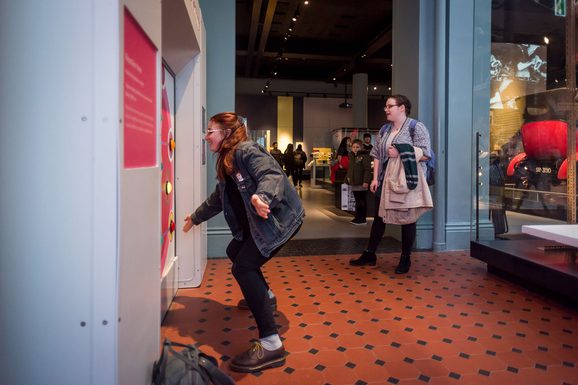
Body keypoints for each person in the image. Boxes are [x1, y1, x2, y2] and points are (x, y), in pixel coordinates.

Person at [182, 112, 304, 372]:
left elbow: (271, 175)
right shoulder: (228, 161)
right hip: (260, 221)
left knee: (243, 267)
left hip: (278, 221)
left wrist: (262, 198)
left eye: (210, 131)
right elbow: (218, 199)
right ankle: (265, 296)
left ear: (226, 133)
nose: (206, 137)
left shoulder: (246, 150)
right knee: (234, 250)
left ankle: (271, 344)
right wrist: (195, 217)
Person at [349, 95, 432, 274]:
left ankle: (405, 259)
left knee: (408, 219)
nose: (386, 109)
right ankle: (370, 254)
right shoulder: (385, 129)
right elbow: (377, 154)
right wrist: (375, 178)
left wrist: (401, 152)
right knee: (379, 217)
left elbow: (426, 154)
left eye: (390, 106)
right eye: (386, 106)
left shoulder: (416, 127)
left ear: (402, 108)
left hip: (407, 181)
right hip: (386, 181)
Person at [346, 139, 371, 225]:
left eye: (357, 147)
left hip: (361, 182)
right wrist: (347, 178)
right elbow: (350, 169)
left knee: (361, 200)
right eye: (353, 147)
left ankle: (362, 219)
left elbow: (367, 170)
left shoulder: (364, 156)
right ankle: (357, 217)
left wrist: (366, 181)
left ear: (361, 147)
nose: (355, 149)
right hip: (354, 182)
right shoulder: (352, 156)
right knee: (357, 201)